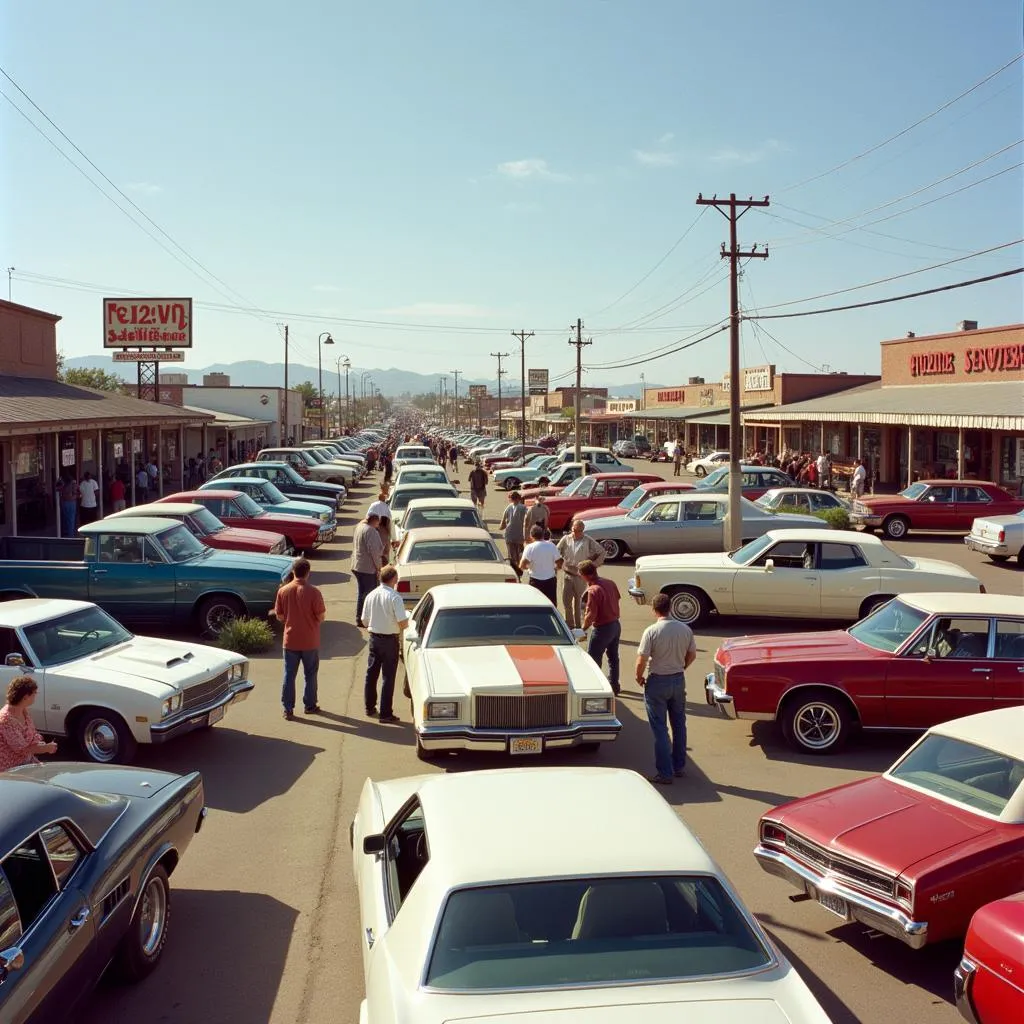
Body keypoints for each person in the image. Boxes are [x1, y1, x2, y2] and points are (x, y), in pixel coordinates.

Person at [635, 592, 697, 785]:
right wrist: (682, 667)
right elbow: (692, 654)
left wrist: (639, 676)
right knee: (679, 724)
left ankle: (664, 773)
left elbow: (642, 659)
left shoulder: (652, 631)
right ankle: (678, 766)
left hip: (657, 682)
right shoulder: (685, 629)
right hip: (678, 680)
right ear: (670, 607)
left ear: (654, 610)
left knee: (660, 729)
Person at [271, 557, 326, 719]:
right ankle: (310, 705)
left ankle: (288, 708)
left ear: (293, 572)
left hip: (290, 640)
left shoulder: (283, 591)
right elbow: (321, 616)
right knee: (310, 674)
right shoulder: (314, 592)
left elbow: (279, 616)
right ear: (308, 573)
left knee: (289, 674)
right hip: (310, 640)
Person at [361, 564, 409, 723]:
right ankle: (385, 713)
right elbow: (403, 623)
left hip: (374, 639)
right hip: (390, 641)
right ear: (394, 579)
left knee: (371, 674)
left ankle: (369, 707)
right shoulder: (395, 597)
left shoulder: (371, 595)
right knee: (388, 677)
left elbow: (364, 620)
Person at [580, 559, 621, 694]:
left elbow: (591, 614)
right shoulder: (610, 583)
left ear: (586, 575)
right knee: (613, 658)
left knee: (594, 659)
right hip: (615, 625)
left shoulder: (593, 590)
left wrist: (582, 629)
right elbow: (617, 598)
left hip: (602, 628)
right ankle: (614, 686)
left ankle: (596, 688)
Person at [0, 676, 58, 771]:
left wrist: (40, 743)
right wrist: (46, 748)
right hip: (11, 770)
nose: (35, 696)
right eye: (34, 693)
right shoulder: (6, 719)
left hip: (27, 762)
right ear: (25, 697)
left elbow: (32, 735)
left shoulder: (24, 711)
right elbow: (22, 749)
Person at [556, 519, 606, 629]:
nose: (575, 533)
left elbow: (602, 552)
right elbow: (556, 551)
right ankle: (569, 625)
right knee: (566, 601)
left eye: (578, 531)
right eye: (573, 530)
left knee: (578, 602)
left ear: (582, 530)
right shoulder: (566, 539)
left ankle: (578, 626)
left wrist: (592, 566)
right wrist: (558, 563)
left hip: (580, 575)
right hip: (567, 573)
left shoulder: (588, 540)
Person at [519, 524, 562, 603]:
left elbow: (522, 565)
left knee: (536, 604)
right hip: (550, 581)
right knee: (551, 604)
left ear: (531, 536)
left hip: (535, 580)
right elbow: (559, 562)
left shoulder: (530, 547)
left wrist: (529, 568)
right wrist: (555, 569)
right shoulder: (551, 545)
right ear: (542, 535)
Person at [499, 490, 528, 581]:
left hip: (510, 534)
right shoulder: (524, 508)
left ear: (511, 499)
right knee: (520, 555)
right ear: (519, 499)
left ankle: (514, 573)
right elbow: (528, 519)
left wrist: (502, 527)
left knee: (511, 556)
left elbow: (502, 523)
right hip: (520, 535)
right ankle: (519, 572)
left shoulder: (508, 508)